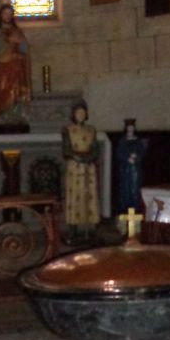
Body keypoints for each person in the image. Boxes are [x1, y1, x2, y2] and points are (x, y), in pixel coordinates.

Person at [62, 101, 100, 240]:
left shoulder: (91, 130)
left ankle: (90, 228)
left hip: (89, 167)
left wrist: (89, 157)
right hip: (75, 167)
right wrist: (78, 157)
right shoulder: (68, 130)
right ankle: (73, 228)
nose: (81, 115)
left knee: (90, 196)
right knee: (75, 197)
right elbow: (66, 150)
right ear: (73, 114)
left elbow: (95, 149)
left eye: (83, 113)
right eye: (78, 113)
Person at [116, 118, 147, 214]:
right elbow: (119, 153)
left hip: (135, 169)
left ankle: (135, 207)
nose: (130, 130)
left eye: (132, 128)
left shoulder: (138, 141)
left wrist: (136, 158)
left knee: (135, 188)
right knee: (125, 189)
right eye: (128, 128)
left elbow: (142, 152)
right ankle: (125, 207)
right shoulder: (122, 141)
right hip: (125, 170)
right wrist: (127, 158)